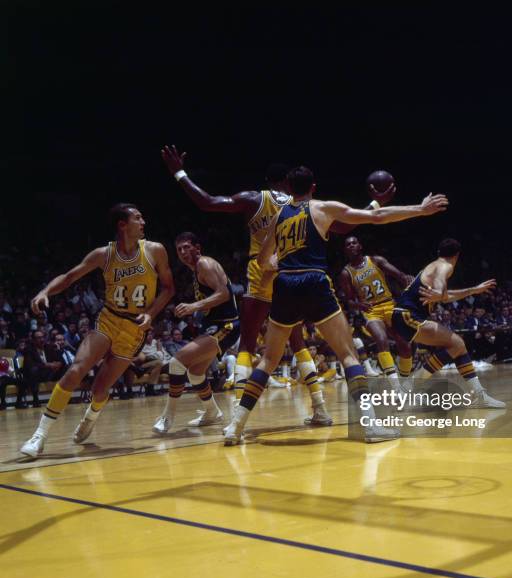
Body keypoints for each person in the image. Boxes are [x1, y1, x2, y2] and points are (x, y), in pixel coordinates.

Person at [224, 165, 448, 445]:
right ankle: (370, 427)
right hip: (315, 282)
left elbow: (262, 260)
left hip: (285, 285)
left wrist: (277, 265)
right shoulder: (323, 208)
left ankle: (235, 426)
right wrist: (421, 209)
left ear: (289, 189)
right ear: (313, 187)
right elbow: (375, 216)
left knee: (268, 360)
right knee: (349, 355)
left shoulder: (278, 215)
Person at [161, 146, 327, 418]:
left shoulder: (254, 199)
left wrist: (179, 173)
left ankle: (239, 415)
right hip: (290, 271)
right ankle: (319, 406)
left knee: (248, 343)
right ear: (288, 182)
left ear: (267, 182)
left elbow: (208, 202)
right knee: (298, 341)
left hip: (261, 270)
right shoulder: (301, 204)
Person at [20, 203, 175, 458]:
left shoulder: (155, 251)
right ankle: (40, 435)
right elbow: (70, 276)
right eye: (138, 218)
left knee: (100, 390)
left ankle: (90, 417)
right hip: (108, 319)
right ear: (122, 225)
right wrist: (45, 291)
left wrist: (151, 314)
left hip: (134, 329)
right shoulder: (103, 254)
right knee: (76, 370)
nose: (143, 222)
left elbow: (168, 288)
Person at [394, 238, 505, 407]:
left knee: (458, 347)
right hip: (407, 316)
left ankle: (479, 394)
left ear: (439, 252)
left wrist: (473, 290)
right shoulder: (445, 266)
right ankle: (411, 385)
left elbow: (446, 297)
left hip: (404, 316)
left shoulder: (433, 264)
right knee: (457, 343)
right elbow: (441, 289)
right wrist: (439, 291)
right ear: (457, 255)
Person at [153, 232, 240, 434]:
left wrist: (194, 306)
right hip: (214, 326)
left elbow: (225, 293)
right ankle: (212, 412)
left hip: (226, 326)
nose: (183, 252)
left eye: (186, 247)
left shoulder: (205, 264)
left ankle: (167, 417)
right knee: (195, 372)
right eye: (179, 249)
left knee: (177, 362)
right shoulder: (195, 270)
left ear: (197, 248)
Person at [339, 235, 413, 379]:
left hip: (390, 304)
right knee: (381, 340)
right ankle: (396, 387)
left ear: (360, 246)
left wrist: (408, 283)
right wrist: (359, 304)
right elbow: (348, 301)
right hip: (371, 311)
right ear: (345, 250)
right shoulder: (345, 273)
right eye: (348, 245)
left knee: (405, 345)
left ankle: (405, 381)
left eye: (354, 243)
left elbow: (400, 276)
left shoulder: (375, 260)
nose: (352, 246)